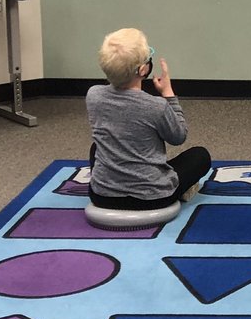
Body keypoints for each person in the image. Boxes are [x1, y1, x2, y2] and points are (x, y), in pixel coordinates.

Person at [86, 28, 211, 210]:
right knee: (200, 156)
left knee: (97, 147)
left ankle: (119, 179)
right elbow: (179, 136)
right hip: (154, 197)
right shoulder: (155, 106)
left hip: (102, 196)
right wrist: (168, 94)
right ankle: (160, 177)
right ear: (143, 69)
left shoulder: (93, 95)